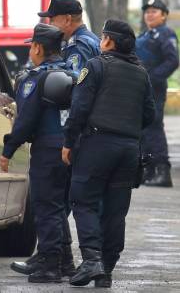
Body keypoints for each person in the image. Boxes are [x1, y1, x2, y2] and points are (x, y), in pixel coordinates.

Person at [62, 20, 155, 288]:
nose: (101, 41)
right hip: (128, 149)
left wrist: (69, 142)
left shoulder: (95, 66)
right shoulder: (141, 73)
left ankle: (91, 259)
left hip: (97, 145)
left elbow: (79, 108)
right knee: (116, 210)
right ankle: (106, 269)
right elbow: (149, 114)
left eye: (103, 37)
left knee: (84, 201)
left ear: (109, 41)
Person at [1, 23, 74, 283]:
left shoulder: (36, 78)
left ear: (38, 47)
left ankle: (50, 265)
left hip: (47, 149)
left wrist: (8, 149)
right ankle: (65, 262)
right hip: (70, 148)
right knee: (58, 206)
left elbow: (26, 120)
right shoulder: (73, 73)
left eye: (31, 47)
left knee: (45, 207)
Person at [35, 0, 101, 271]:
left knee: (58, 199)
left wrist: (69, 136)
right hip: (91, 129)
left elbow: (74, 93)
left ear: (67, 20)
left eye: (53, 18)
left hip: (79, 130)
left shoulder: (77, 47)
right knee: (63, 199)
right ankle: (62, 258)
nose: (50, 23)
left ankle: (59, 258)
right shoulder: (93, 41)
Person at [136, 0, 179, 187]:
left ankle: (162, 171)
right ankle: (149, 169)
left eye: (154, 11)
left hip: (153, 87)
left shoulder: (165, 34)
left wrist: (153, 77)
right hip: (140, 88)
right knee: (142, 128)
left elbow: (172, 60)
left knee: (153, 128)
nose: (149, 14)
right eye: (147, 11)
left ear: (164, 16)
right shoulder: (145, 35)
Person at [38, 0, 101, 73]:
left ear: (67, 20)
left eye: (52, 20)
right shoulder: (88, 39)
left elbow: (73, 80)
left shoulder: (78, 45)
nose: (50, 25)